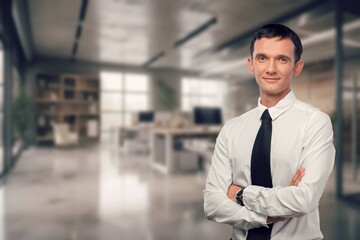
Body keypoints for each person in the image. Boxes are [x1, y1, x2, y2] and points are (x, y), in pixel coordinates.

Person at [203, 23, 335, 240]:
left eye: (282, 59)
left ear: (297, 67)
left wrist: (241, 194)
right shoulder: (232, 129)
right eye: (262, 58)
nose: (271, 69)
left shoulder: (315, 123)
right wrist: (266, 217)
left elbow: (304, 199)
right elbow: (212, 204)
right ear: (251, 65)